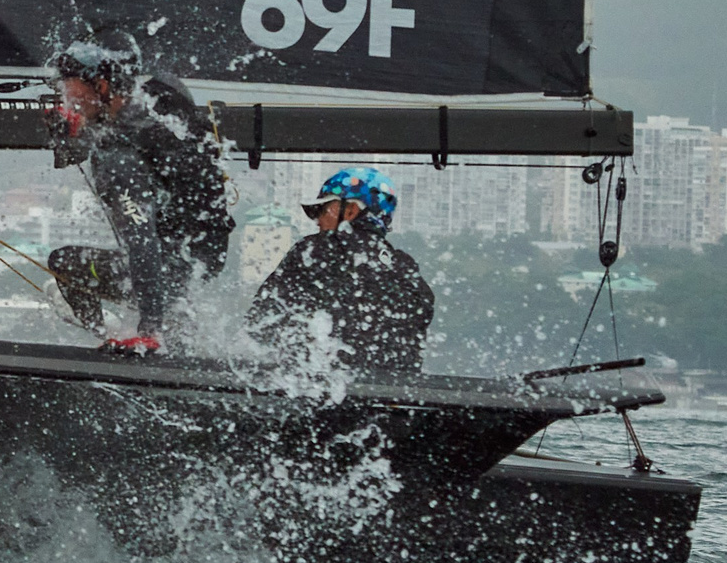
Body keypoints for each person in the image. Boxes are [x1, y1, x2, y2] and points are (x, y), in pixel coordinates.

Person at [41, 32, 234, 349]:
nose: (66, 101)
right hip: (201, 256)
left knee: (65, 264)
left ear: (101, 86)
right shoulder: (153, 116)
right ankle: (167, 326)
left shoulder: (121, 153)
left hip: (169, 263)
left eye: (71, 91)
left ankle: (126, 333)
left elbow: (140, 239)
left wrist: (148, 331)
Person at [248, 166, 435, 374]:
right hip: (390, 400)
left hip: (325, 394)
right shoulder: (407, 271)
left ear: (350, 211)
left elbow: (259, 322)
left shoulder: (315, 251)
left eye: (323, 209)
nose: (318, 220)